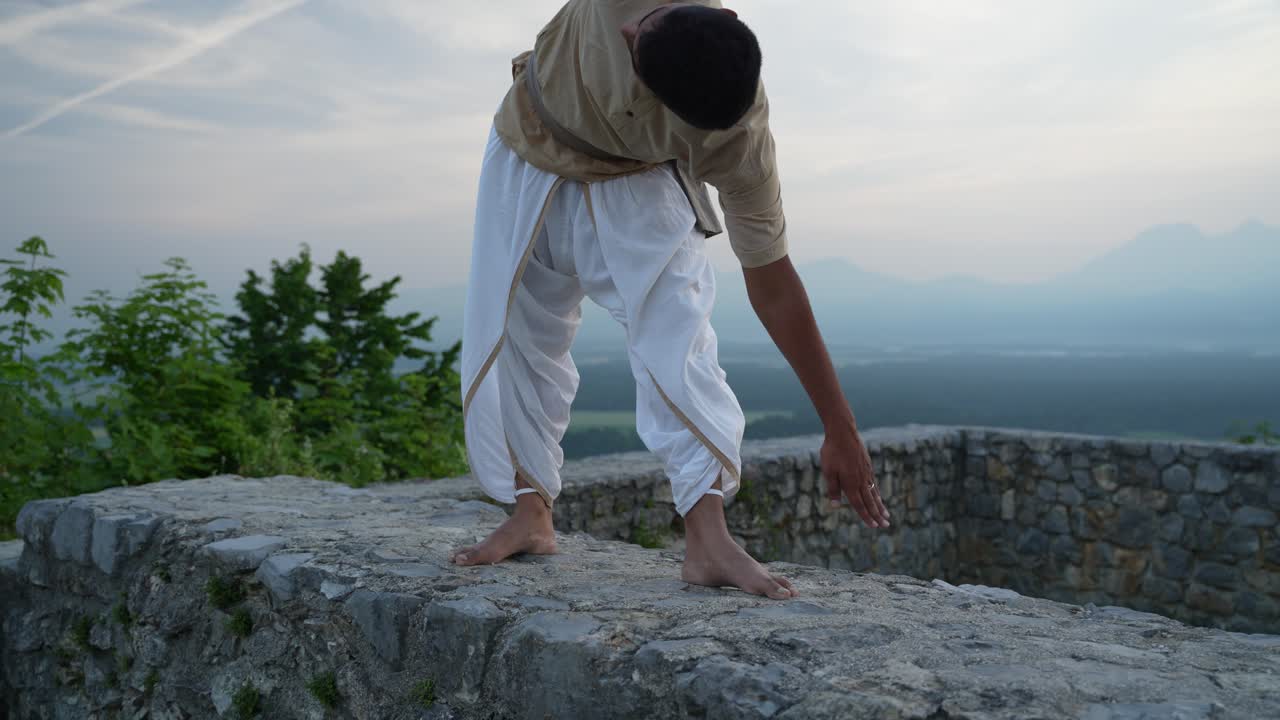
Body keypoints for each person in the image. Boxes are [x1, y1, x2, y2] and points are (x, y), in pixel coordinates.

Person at [451, 0, 889, 600]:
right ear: (724, 11)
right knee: (519, 329)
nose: (628, 25)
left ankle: (707, 539)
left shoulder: (740, 144)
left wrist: (840, 426)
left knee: (676, 335)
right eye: (640, 25)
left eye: (637, 41)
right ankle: (531, 511)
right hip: (529, 140)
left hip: (637, 175)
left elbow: (774, 282)